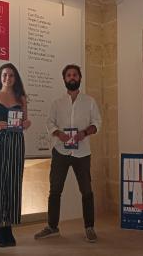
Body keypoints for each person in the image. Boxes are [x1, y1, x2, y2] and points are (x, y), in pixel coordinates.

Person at [34, 64, 101, 243]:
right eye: (69, 75)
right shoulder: (57, 103)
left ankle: (89, 227)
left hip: (82, 153)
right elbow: (49, 123)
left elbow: (97, 123)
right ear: (64, 79)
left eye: (75, 75)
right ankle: (52, 227)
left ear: (80, 78)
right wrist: (58, 133)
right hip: (60, 151)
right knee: (55, 190)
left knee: (86, 191)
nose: (72, 77)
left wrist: (85, 133)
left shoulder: (90, 101)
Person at [0, 63, 31, 247]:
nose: (7, 78)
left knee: (14, 183)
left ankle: (9, 227)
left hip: (16, 143)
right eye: (4, 75)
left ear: (15, 78)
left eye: (11, 75)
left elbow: (25, 121)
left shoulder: (21, 98)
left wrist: (27, 124)